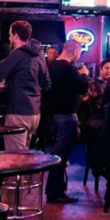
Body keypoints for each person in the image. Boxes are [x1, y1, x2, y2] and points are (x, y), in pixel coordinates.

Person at [0, 20, 51, 151]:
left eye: (10, 35)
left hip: (18, 112)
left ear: (16, 35)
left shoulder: (18, 54)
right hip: (35, 115)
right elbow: (47, 84)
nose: (9, 38)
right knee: (25, 157)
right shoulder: (39, 56)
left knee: (15, 158)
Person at [43, 39, 90, 203]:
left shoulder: (51, 66)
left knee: (59, 153)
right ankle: (54, 193)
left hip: (53, 114)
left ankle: (55, 191)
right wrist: (85, 74)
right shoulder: (69, 68)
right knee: (61, 155)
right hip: (65, 115)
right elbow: (83, 87)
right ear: (76, 52)